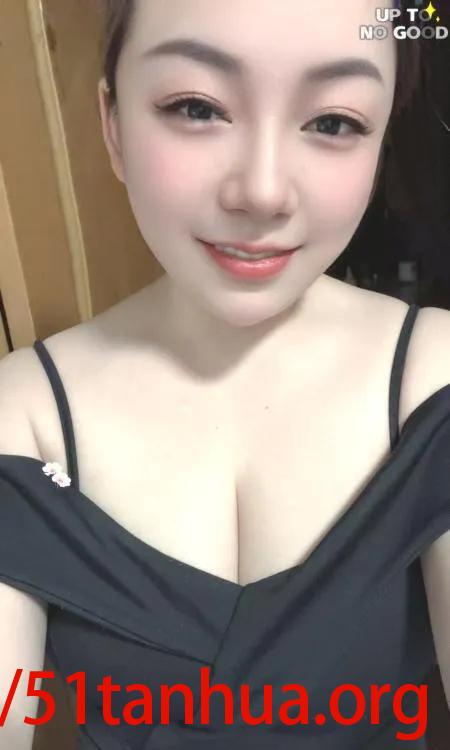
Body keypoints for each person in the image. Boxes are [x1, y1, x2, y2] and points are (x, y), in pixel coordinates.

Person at [0, 1, 449, 748]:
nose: (263, 192)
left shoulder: (431, 379)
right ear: (113, 124)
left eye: (333, 122)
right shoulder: (22, 413)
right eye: (196, 108)